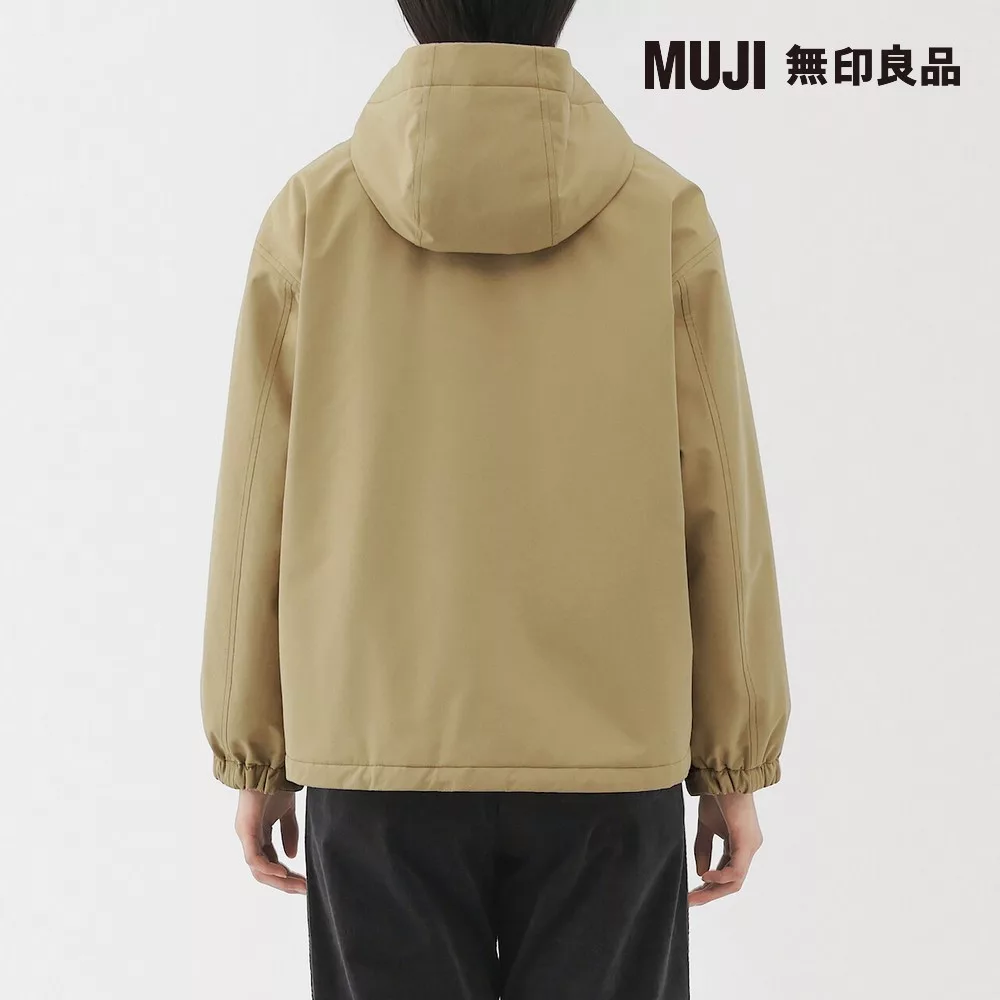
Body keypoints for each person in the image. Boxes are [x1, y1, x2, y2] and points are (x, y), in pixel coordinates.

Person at [199, 1, 791, 996]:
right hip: (608, 757)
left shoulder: (312, 215)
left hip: (376, 751)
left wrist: (252, 749)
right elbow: (721, 501)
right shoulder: (661, 214)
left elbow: (256, 495)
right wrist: (732, 762)